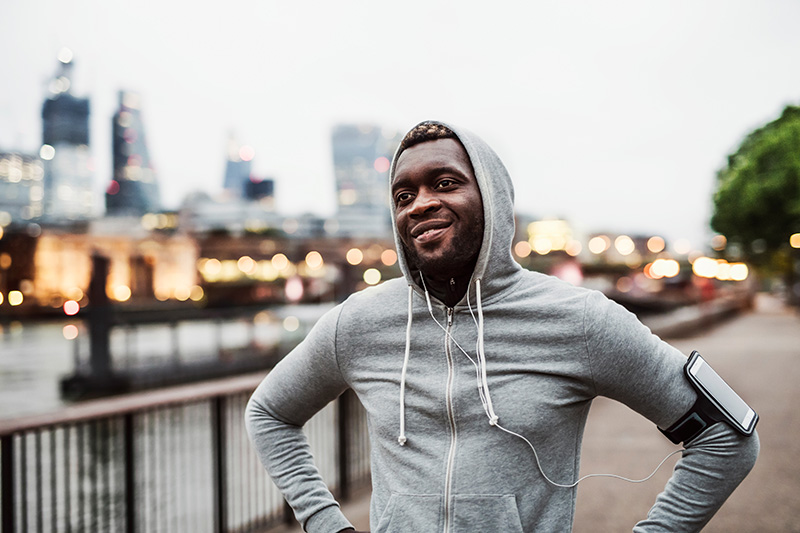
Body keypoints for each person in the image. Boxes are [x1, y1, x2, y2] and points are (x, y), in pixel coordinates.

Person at [246, 121, 759, 532]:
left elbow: (728, 438)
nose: (420, 202)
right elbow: (269, 413)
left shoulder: (580, 321)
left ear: (492, 197)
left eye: (445, 183)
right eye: (403, 195)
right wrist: (323, 521)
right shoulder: (358, 323)